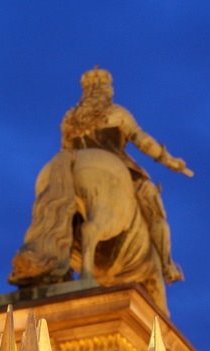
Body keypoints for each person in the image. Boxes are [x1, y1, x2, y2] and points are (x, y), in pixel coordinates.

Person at [61, 67, 193, 283]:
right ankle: (167, 264)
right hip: (121, 169)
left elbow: (65, 152)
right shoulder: (116, 112)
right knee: (154, 206)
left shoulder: (70, 119)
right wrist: (169, 160)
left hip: (71, 169)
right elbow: (142, 141)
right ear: (105, 90)